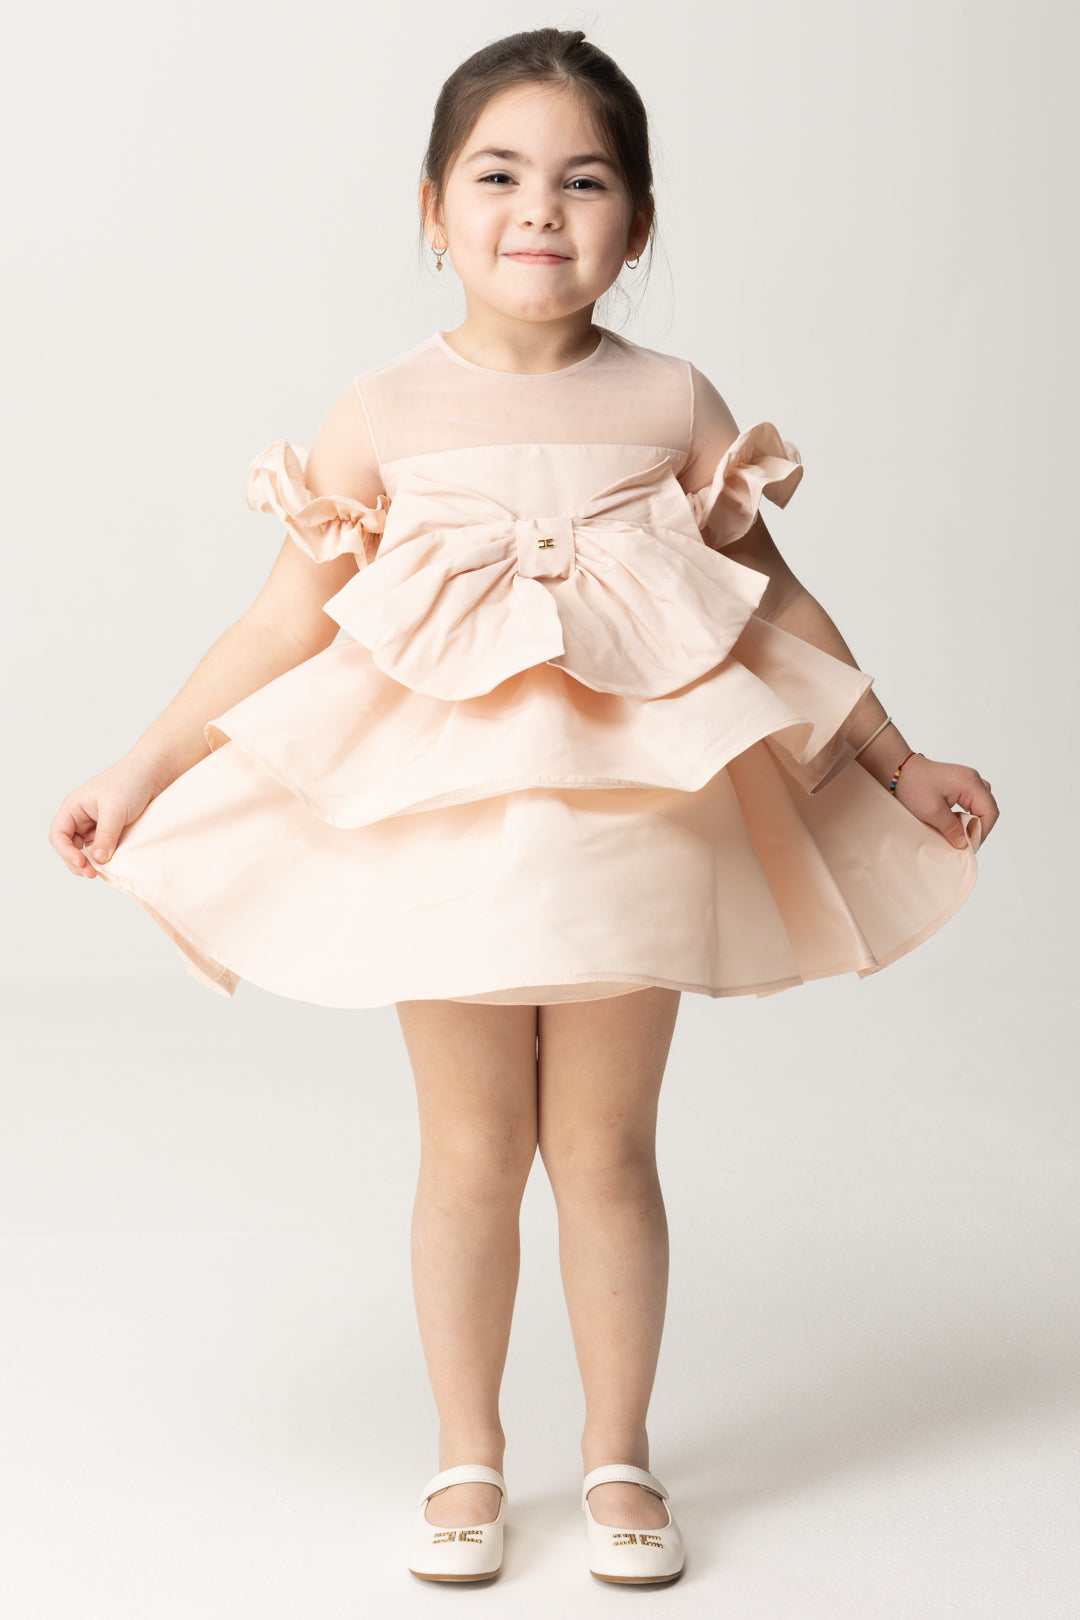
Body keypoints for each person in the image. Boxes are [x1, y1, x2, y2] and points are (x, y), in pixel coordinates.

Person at [48, 25, 999, 1588]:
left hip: (634, 819)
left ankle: (619, 1454)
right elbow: (281, 624)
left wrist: (900, 761)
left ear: (637, 222)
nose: (540, 207)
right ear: (434, 210)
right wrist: (139, 768)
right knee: (474, 1149)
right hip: (448, 833)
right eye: (497, 175)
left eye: (585, 180)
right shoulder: (384, 413)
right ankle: (467, 1456)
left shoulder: (673, 403)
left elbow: (775, 603)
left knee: (607, 1150)